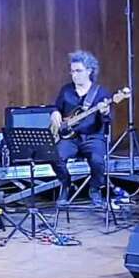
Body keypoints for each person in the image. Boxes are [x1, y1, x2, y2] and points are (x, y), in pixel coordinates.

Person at [49, 50, 111, 208]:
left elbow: (107, 121)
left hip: (93, 137)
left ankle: (95, 189)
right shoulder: (66, 90)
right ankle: (66, 184)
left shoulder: (100, 93)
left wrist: (105, 113)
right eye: (72, 71)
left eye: (78, 71)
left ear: (89, 71)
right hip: (70, 138)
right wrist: (55, 113)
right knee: (55, 156)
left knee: (98, 161)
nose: (74, 75)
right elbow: (57, 107)